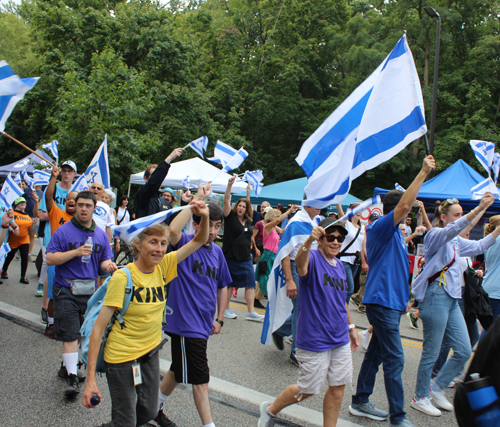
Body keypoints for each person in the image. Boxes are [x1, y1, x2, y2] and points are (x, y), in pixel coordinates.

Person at [82, 201, 210, 427]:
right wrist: (90, 380)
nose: (160, 249)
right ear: (138, 245)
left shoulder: (164, 266)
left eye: (163, 243)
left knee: (150, 410)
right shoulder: (123, 278)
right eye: (153, 243)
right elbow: (98, 329)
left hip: (148, 355)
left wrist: (204, 216)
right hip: (121, 357)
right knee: (127, 420)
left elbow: (200, 240)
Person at [350, 155, 435, 427]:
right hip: (381, 302)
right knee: (395, 359)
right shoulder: (381, 226)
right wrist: (422, 173)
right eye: (405, 211)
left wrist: (405, 301)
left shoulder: (397, 232)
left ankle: (360, 401)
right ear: (396, 209)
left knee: (375, 354)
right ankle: (398, 417)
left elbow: (395, 269)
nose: (408, 214)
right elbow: (406, 204)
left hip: (392, 303)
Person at [258, 218, 359, 427]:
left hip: (339, 336)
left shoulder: (340, 265)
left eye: (340, 238)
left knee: (338, 385)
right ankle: (269, 410)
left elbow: (342, 301)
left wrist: (351, 327)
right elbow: (301, 264)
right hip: (315, 337)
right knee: (308, 389)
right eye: (331, 237)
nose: (336, 242)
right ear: (320, 239)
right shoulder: (312, 257)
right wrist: (307, 242)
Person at [409, 193, 500, 417]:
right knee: (431, 352)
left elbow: (480, 244)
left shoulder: (456, 241)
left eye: (462, 214)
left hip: (452, 298)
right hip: (435, 296)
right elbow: (453, 229)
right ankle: (420, 397)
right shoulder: (435, 234)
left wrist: (498, 229)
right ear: (444, 217)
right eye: (457, 215)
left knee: (464, 349)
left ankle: (438, 387)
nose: (462, 218)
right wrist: (478, 209)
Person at [150, 186, 231, 427]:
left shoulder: (217, 252)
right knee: (200, 378)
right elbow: (172, 229)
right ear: (196, 225)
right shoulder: (185, 243)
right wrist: (197, 201)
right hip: (185, 323)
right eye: (210, 224)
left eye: (218, 226)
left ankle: (152, 409)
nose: (214, 231)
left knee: (178, 367)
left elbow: (223, 285)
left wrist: (220, 318)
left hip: (203, 323)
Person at [46, 190, 116, 397]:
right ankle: (73, 379)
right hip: (65, 289)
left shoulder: (101, 235)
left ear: (95, 208)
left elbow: (103, 262)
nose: (83, 209)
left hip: (89, 293)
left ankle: (66, 366)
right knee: (71, 333)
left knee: (80, 333)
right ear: (75, 207)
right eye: (80, 205)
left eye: (88, 205)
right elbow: (50, 258)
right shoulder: (63, 231)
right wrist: (75, 253)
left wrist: (109, 266)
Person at [37, 160, 78, 333]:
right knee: (54, 294)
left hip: (72, 260)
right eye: (68, 199)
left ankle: (69, 323)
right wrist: (53, 178)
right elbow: (48, 197)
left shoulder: (80, 220)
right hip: (56, 257)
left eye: (74, 200)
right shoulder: (56, 213)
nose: (70, 201)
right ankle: (51, 323)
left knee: (71, 295)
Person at [222, 177, 264, 322]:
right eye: (239, 205)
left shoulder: (247, 222)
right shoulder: (230, 218)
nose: (241, 208)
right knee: (229, 283)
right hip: (230, 256)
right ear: (236, 207)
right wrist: (229, 186)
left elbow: (247, 235)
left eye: (244, 206)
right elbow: (226, 201)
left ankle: (251, 312)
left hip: (245, 256)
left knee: (250, 283)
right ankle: (226, 308)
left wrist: (248, 194)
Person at [255, 206, 297, 299]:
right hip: (268, 254)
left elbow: (283, 231)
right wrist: (288, 211)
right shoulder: (268, 226)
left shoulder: (274, 227)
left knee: (267, 276)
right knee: (264, 276)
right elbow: (278, 221)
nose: (278, 218)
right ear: (272, 216)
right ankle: (258, 297)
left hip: (273, 255)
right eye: (276, 216)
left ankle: (259, 296)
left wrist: (291, 220)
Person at [134, 148, 183, 219]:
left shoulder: (163, 200)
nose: (158, 179)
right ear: (145, 178)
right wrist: (168, 159)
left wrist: (184, 202)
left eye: (159, 177)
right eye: (153, 175)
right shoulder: (142, 196)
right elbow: (153, 183)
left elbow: (172, 220)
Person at [336, 203, 364, 305]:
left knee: (344, 287)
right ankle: (343, 311)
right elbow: (340, 215)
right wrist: (338, 201)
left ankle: (338, 307)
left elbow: (363, 246)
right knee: (350, 287)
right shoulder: (346, 224)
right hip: (344, 260)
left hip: (355, 261)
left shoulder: (362, 228)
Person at [1, 197, 34, 284]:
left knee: (24, 257)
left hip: (24, 240)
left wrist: (33, 224)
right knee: (10, 257)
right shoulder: (13, 213)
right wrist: (12, 229)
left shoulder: (27, 216)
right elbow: (7, 223)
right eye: (20, 202)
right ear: (16, 204)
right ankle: (4, 270)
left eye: (24, 202)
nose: (23, 204)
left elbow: (30, 231)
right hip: (13, 240)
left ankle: (23, 276)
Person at [482, 215, 500, 322]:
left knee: (491, 328)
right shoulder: (497, 240)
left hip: (490, 288)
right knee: (493, 329)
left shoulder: (490, 240)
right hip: (496, 292)